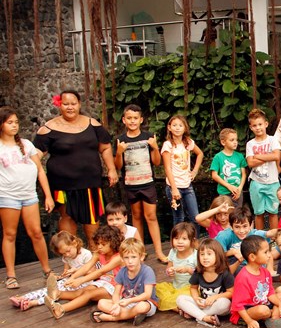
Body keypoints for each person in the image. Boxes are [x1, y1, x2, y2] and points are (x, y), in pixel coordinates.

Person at [34, 90, 118, 247]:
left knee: (92, 217)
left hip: (90, 181)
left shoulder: (93, 124)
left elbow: (105, 147)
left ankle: (95, 253)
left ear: (79, 104)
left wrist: (111, 169)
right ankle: (70, 254)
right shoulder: (48, 129)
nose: (70, 107)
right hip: (62, 183)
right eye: (66, 104)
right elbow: (36, 155)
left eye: (73, 103)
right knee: (67, 216)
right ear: (59, 105)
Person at [0, 106, 54, 288]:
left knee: (36, 232)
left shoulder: (26, 144)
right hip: (8, 196)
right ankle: (11, 275)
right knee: (10, 234)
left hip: (29, 194)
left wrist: (48, 195)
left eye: (16, 122)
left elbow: (40, 170)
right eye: (10, 122)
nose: (14, 126)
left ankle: (47, 271)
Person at [114, 104, 166, 262]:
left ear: (141, 120)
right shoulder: (121, 140)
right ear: (124, 120)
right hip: (130, 184)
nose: (132, 121)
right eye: (129, 118)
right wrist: (119, 153)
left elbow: (157, 162)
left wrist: (155, 148)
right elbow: (118, 166)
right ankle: (140, 251)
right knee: (136, 216)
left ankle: (159, 252)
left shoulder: (148, 137)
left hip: (147, 182)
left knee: (151, 216)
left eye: (135, 118)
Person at [44, 225, 124, 319]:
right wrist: (73, 277)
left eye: (103, 244)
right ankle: (58, 294)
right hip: (105, 282)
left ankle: (60, 309)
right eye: (97, 243)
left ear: (113, 242)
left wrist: (81, 280)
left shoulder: (118, 257)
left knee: (88, 294)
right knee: (83, 290)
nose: (99, 247)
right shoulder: (98, 253)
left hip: (118, 287)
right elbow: (86, 267)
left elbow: (100, 272)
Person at [9, 231, 92, 311]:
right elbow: (66, 269)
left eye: (68, 251)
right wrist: (64, 274)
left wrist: (76, 271)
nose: (67, 254)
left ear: (74, 243)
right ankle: (24, 297)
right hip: (70, 279)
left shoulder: (85, 254)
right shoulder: (67, 257)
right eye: (63, 253)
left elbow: (92, 272)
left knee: (57, 293)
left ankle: (33, 302)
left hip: (84, 282)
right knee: (50, 288)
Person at [230, 235, 281, 328]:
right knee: (263, 310)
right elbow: (238, 305)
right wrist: (249, 321)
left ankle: (274, 318)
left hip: (263, 302)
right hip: (246, 311)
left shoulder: (265, 272)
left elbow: (270, 293)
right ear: (252, 257)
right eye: (265, 252)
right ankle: (272, 314)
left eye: (269, 251)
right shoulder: (243, 277)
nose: (269, 255)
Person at [92, 238, 158, 326]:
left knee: (142, 307)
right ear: (122, 258)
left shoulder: (147, 271)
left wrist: (129, 301)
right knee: (101, 303)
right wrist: (116, 305)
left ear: (141, 257)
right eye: (126, 257)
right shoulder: (122, 271)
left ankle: (111, 318)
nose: (130, 261)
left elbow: (147, 295)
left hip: (144, 302)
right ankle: (131, 315)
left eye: (133, 257)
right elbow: (116, 293)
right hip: (126, 301)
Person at [176, 238, 234, 327]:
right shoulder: (199, 271)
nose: (205, 257)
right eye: (202, 254)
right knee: (180, 299)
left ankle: (196, 314)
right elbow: (193, 288)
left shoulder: (225, 273)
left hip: (217, 304)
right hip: (203, 303)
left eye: (209, 254)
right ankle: (205, 318)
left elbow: (231, 292)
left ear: (218, 255)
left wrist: (215, 297)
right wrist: (196, 298)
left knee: (225, 304)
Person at [161, 114, 203, 231]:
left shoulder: (188, 142)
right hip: (174, 186)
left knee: (195, 217)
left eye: (180, 125)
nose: (177, 128)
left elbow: (200, 154)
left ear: (185, 128)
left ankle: (194, 240)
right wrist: (174, 189)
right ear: (169, 127)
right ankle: (176, 241)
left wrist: (195, 171)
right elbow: (167, 168)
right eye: (174, 125)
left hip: (187, 185)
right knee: (179, 217)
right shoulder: (168, 145)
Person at [246, 108, 281, 229]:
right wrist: (268, 156)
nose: (258, 128)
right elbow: (250, 163)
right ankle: (259, 237)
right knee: (258, 213)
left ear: (266, 124)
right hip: (256, 183)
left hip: (273, 182)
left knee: (273, 212)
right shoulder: (250, 144)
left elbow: (276, 156)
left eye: (260, 124)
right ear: (251, 127)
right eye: (254, 125)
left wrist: (258, 156)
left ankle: (274, 236)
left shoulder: (272, 140)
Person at [216, 206, 277, 275]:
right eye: (237, 227)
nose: (241, 231)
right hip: (236, 265)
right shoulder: (224, 236)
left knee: (267, 253)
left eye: (245, 226)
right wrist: (233, 252)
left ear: (251, 225)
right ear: (231, 226)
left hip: (251, 262)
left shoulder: (253, 233)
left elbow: (269, 233)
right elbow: (217, 254)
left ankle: (269, 272)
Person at [156, 222, 198, 311]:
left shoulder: (196, 255)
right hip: (175, 286)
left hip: (190, 288)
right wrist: (169, 271)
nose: (180, 242)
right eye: (176, 238)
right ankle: (178, 308)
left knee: (183, 297)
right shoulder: (173, 252)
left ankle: (177, 307)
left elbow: (202, 275)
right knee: (155, 289)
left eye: (184, 239)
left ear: (192, 240)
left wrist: (188, 270)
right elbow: (169, 267)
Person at [210, 128, 247, 208]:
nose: (235, 142)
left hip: (237, 192)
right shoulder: (218, 157)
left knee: (238, 213)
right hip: (224, 193)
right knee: (225, 212)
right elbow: (214, 175)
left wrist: (240, 188)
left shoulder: (240, 156)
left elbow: (243, 174)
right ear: (223, 142)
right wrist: (229, 186)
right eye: (232, 140)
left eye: (236, 140)